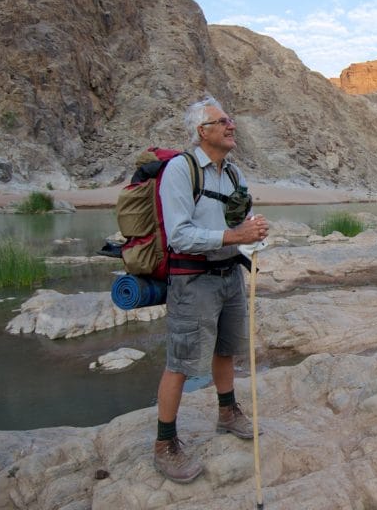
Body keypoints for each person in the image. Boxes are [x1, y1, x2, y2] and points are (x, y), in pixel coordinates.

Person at [153, 95, 270, 483]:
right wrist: (233, 235)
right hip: (193, 280)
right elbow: (179, 235)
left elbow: (242, 218)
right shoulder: (180, 171)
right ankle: (165, 444)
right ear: (203, 132)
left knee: (227, 349)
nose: (231, 126)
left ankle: (227, 411)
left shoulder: (234, 174)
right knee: (182, 362)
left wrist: (253, 234)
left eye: (231, 120)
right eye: (223, 121)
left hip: (229, 276)